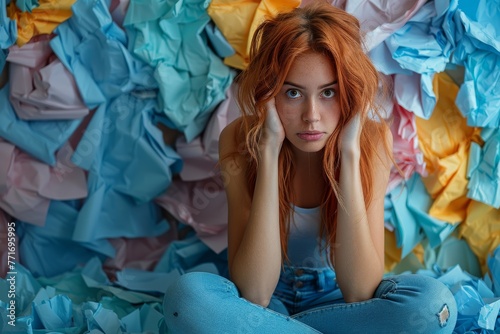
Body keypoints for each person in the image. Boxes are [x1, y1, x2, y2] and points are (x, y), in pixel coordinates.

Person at [163, 2, 458, 333]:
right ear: (269, 93)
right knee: (185, 300)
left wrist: (348, 153)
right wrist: (269, 150)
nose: (312, 116)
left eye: (329, 92)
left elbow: (359, 291)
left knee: (435, 308)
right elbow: (256, 292)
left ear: (349, 91)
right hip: (264, 302)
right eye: (292, 93)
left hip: (335, 301)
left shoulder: (371, 141)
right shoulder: (240, 139)